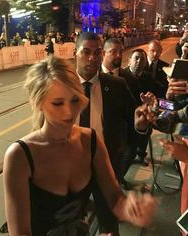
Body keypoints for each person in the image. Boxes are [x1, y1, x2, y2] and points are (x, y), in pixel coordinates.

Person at [3, 56, 157, 236]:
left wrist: (132, 208)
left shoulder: (91, 141)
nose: (69, 112)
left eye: (75, 100)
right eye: (58, 103)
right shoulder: (20, 155)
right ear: (39, 104)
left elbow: (115, 199)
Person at [75, 32, 137, 235]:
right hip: (71, 168)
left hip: (105, 167)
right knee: (70, 224)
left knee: (109, 224)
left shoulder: (117, 86)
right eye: (86, 52)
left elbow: (134, 120)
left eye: (97, 52)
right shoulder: (61, 86)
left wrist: (142, 124)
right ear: (75, 53)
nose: (92, 58)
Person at [122, 48, 156, 166]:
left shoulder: (149, 77)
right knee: (128, 150)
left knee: (146, 134)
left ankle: (141, 155)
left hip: (143, 117)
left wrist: (150, 102)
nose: (139, 62)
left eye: (142, 59)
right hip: (126, 118)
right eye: (136, 58)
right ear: (129, 61)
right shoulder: (121, 77)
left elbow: (157, 94)